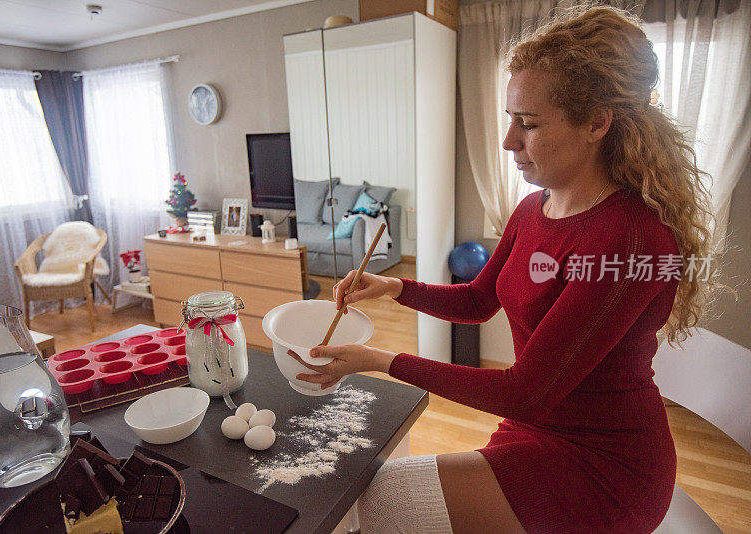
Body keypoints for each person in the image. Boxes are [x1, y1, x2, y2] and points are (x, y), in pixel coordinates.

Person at [287, 6, 719, 534]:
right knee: (383, 499)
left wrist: (378, 359)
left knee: (386, 501)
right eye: (510, 119)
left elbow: (526, 392)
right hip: (535, 428)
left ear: (597, 122)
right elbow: (477, 301)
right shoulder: (534, 208)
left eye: (528, 123)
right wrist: (394, 286)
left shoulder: (631, 241)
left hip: (607, 465)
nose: (508, 140)